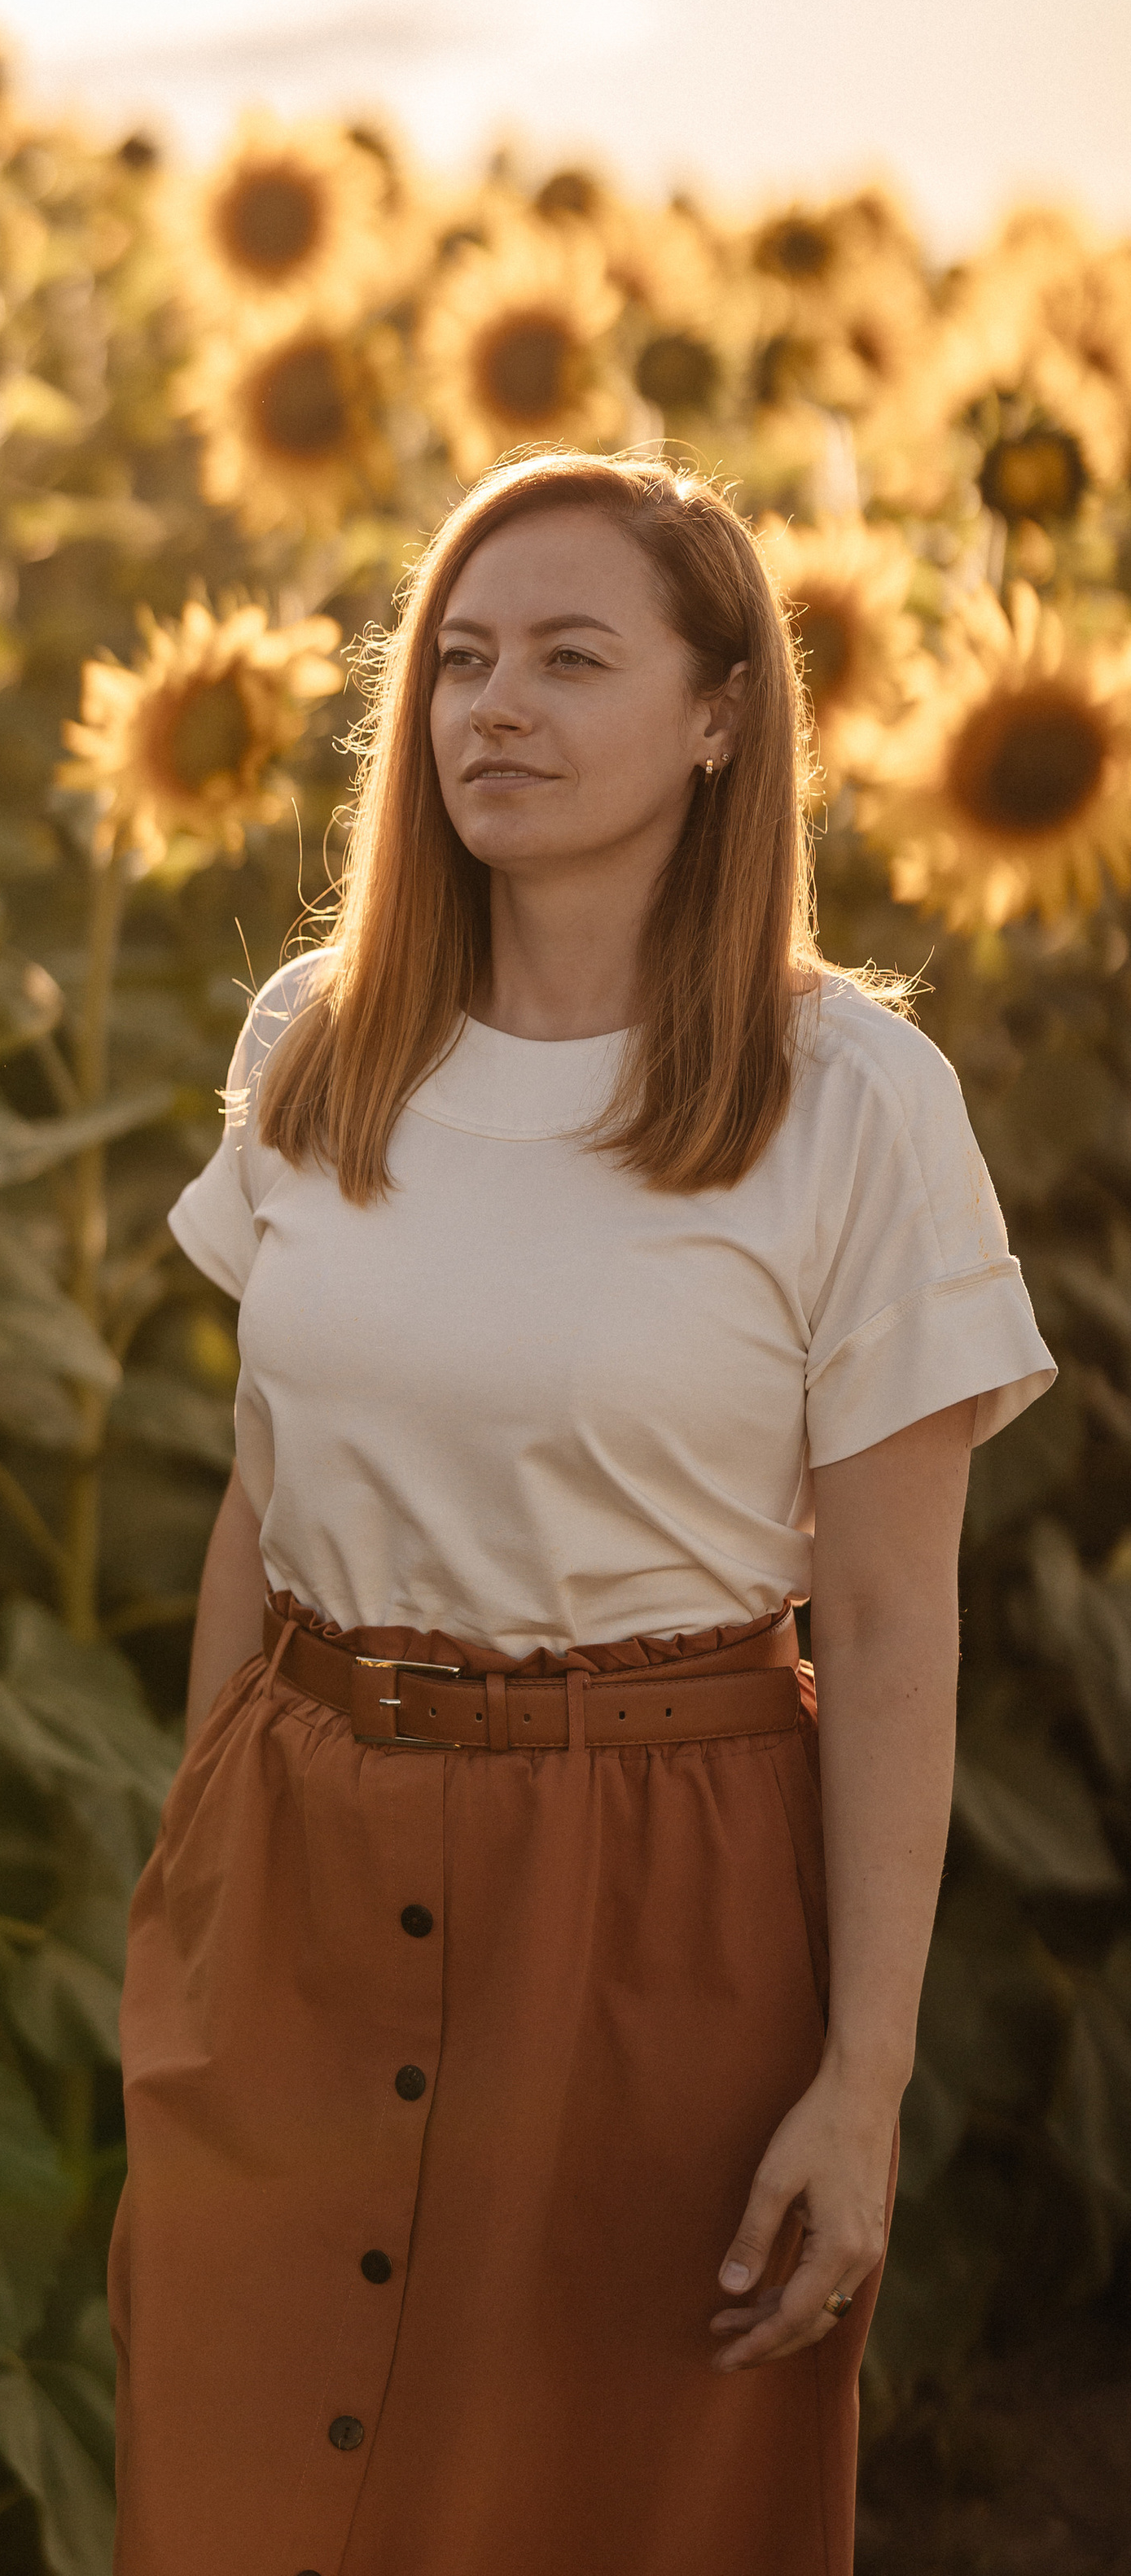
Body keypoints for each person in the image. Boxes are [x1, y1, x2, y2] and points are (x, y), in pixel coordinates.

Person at [109, 452, 1055, 2576]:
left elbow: (897, 1627)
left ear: (722, 714)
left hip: (661, 1911)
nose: (491, 708)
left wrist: (862, 2083)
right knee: (242, 2499)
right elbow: (262, 1504)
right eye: (456, 659)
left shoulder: (850, 1103)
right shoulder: (317, 1040)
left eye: (566, 657)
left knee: (600, 2515)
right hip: (300, 1871)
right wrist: (197, 1878)